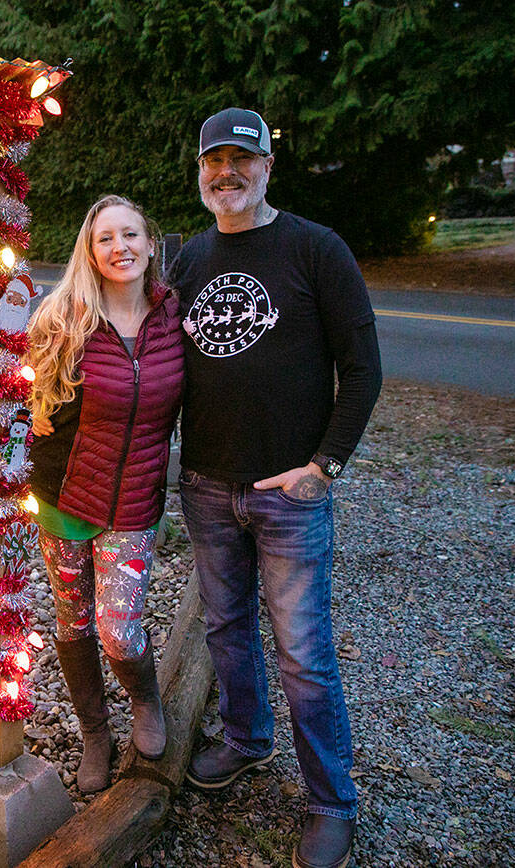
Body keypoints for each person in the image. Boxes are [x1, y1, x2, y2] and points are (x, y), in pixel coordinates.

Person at [168, 108, 382, 868]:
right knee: (226, 628)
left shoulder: (316, 249)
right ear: (199, 172)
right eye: (212, 161)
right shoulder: (188, 260)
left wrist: (323, 468)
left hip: (288, 493)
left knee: (303, 654)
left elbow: (362, 369)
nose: (226, 172)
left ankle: (331, 802)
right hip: (205, 485)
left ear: (267, 168)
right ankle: (248, 740)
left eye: (241, 160)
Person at [27, 194, 184, 792]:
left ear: (150, 244)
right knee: (72, 622)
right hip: (65, 498)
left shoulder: (177, 320)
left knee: (120, 626)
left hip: (135, 500)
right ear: (89, 253)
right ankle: (95, 730)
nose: (120, 247)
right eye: (105, 239)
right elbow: (21, 390)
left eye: (130, 235)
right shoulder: (64, 318)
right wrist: (30, 413)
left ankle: (145, 702)